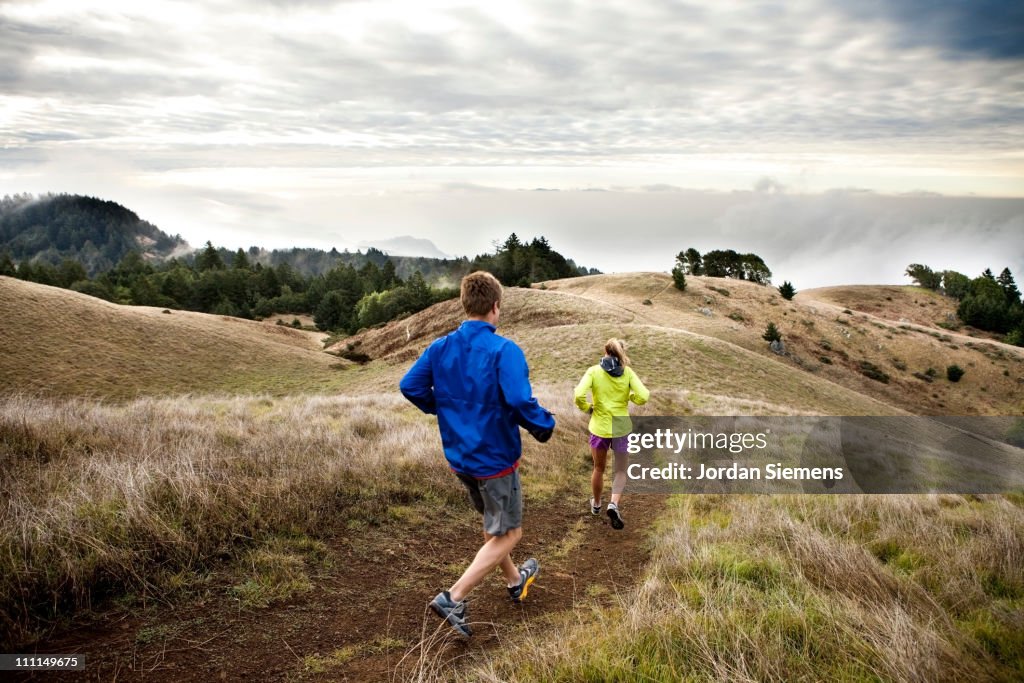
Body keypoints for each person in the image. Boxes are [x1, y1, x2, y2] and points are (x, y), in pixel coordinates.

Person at [399, 271, 555, 638]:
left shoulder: (440, 347)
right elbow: (518, 399)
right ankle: (454, 596)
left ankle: (516, 580)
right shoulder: (504, 350)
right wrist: (543, 424)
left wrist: (445, 408)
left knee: (492, 523)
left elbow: (410, 385)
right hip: (495, 459)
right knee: (510, 532)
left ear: (465, 304)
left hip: (460, 457)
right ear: (496, 306)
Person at [573, 338, 649, 529]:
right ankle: (613, 504)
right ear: (621, 353)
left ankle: (597, 505)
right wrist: (629, 396)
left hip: (599, 427)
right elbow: (643, 396)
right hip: (621, 427)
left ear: (605, 350)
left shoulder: (593, 371)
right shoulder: (627, 373)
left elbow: (578, 395)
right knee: (621, 470)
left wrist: (588, 408)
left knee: (598, 468)